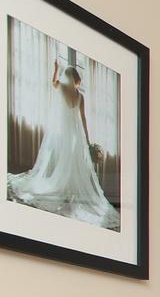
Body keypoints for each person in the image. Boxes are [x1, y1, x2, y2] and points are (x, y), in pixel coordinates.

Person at [8, 60, 117, 229]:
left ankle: (65, 187)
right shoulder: (80, 96)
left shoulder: (64, 89)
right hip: (75, 133)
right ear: (76, 79)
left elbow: (53, 83)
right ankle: (67, 188)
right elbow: (83, 119)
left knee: (66, 159)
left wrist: (55, 69)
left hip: (65, 130)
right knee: (72, 161)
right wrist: (87, 139)